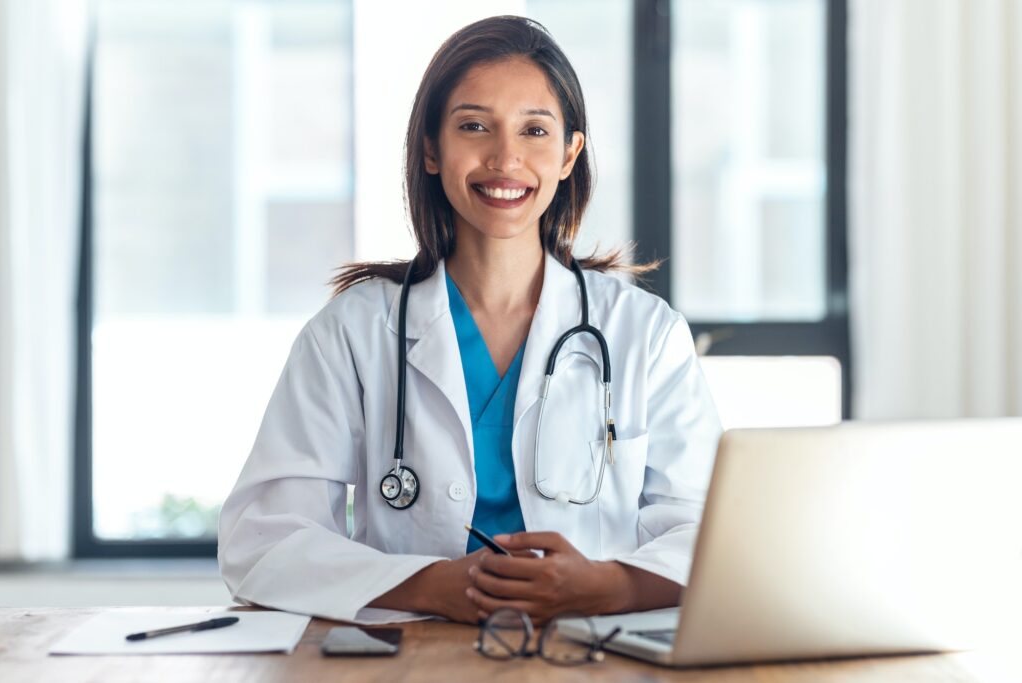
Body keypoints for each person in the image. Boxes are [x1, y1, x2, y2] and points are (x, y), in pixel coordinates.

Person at [218, 15, 721, 626]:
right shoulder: (353, 332)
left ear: (569, 155)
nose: (505, 158)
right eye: (474, 126)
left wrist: (602, 587)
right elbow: (262, 539)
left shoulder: (644, 333)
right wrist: (431, 585)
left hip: (590, 653)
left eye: (534, 130)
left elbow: (709, 532)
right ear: (431, 148)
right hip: (410, 657)